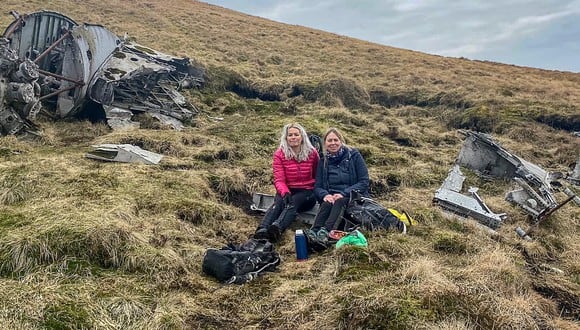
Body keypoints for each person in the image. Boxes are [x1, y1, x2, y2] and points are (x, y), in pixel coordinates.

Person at [254, 123, 319, 242]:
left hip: (307, 191)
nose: (293, 137)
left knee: (293, 202)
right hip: (288, 189)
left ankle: (277, 228)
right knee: (279, 202)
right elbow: (279, 179)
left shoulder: (312, 153)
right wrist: (285, 192)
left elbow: (317, 174)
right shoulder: (279, 154)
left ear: (302, 136)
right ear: (286, 138)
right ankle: (262, 229)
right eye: (290, 135)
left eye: (296, 134)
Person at [311, 127, 369, 239]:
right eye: (330, 141)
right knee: (327, 202)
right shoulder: (323, 161)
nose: (333, 143)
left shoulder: (354, 155)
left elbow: (364, 181)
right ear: (325, 143)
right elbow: (317, 186)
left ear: (341, 141)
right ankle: (314, 231)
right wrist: (325, 195)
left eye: (336, 140)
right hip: (332, 196)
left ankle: (326, 232)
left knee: (339, 201)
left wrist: (344, 193)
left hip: (352, 196)